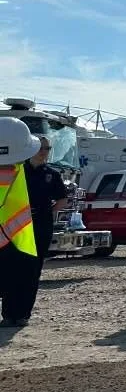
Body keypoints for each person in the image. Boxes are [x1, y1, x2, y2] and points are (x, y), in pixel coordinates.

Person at [4, 136, 68, 327]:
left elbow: (62, 199)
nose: (43, 152)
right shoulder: (16, 170)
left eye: (47, 149)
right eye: (40, 148)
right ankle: (8, 314)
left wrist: (46, 213)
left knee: (32, 271)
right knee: (11, 268)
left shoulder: (52, 174)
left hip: (39, 227)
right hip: (15, 227)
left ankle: (23, 314)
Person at [0, 118, 41, 329]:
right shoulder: (23, 173)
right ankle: (17, 314)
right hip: (20, 239)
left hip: (10, 239)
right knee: (22, 279)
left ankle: (10, 315)